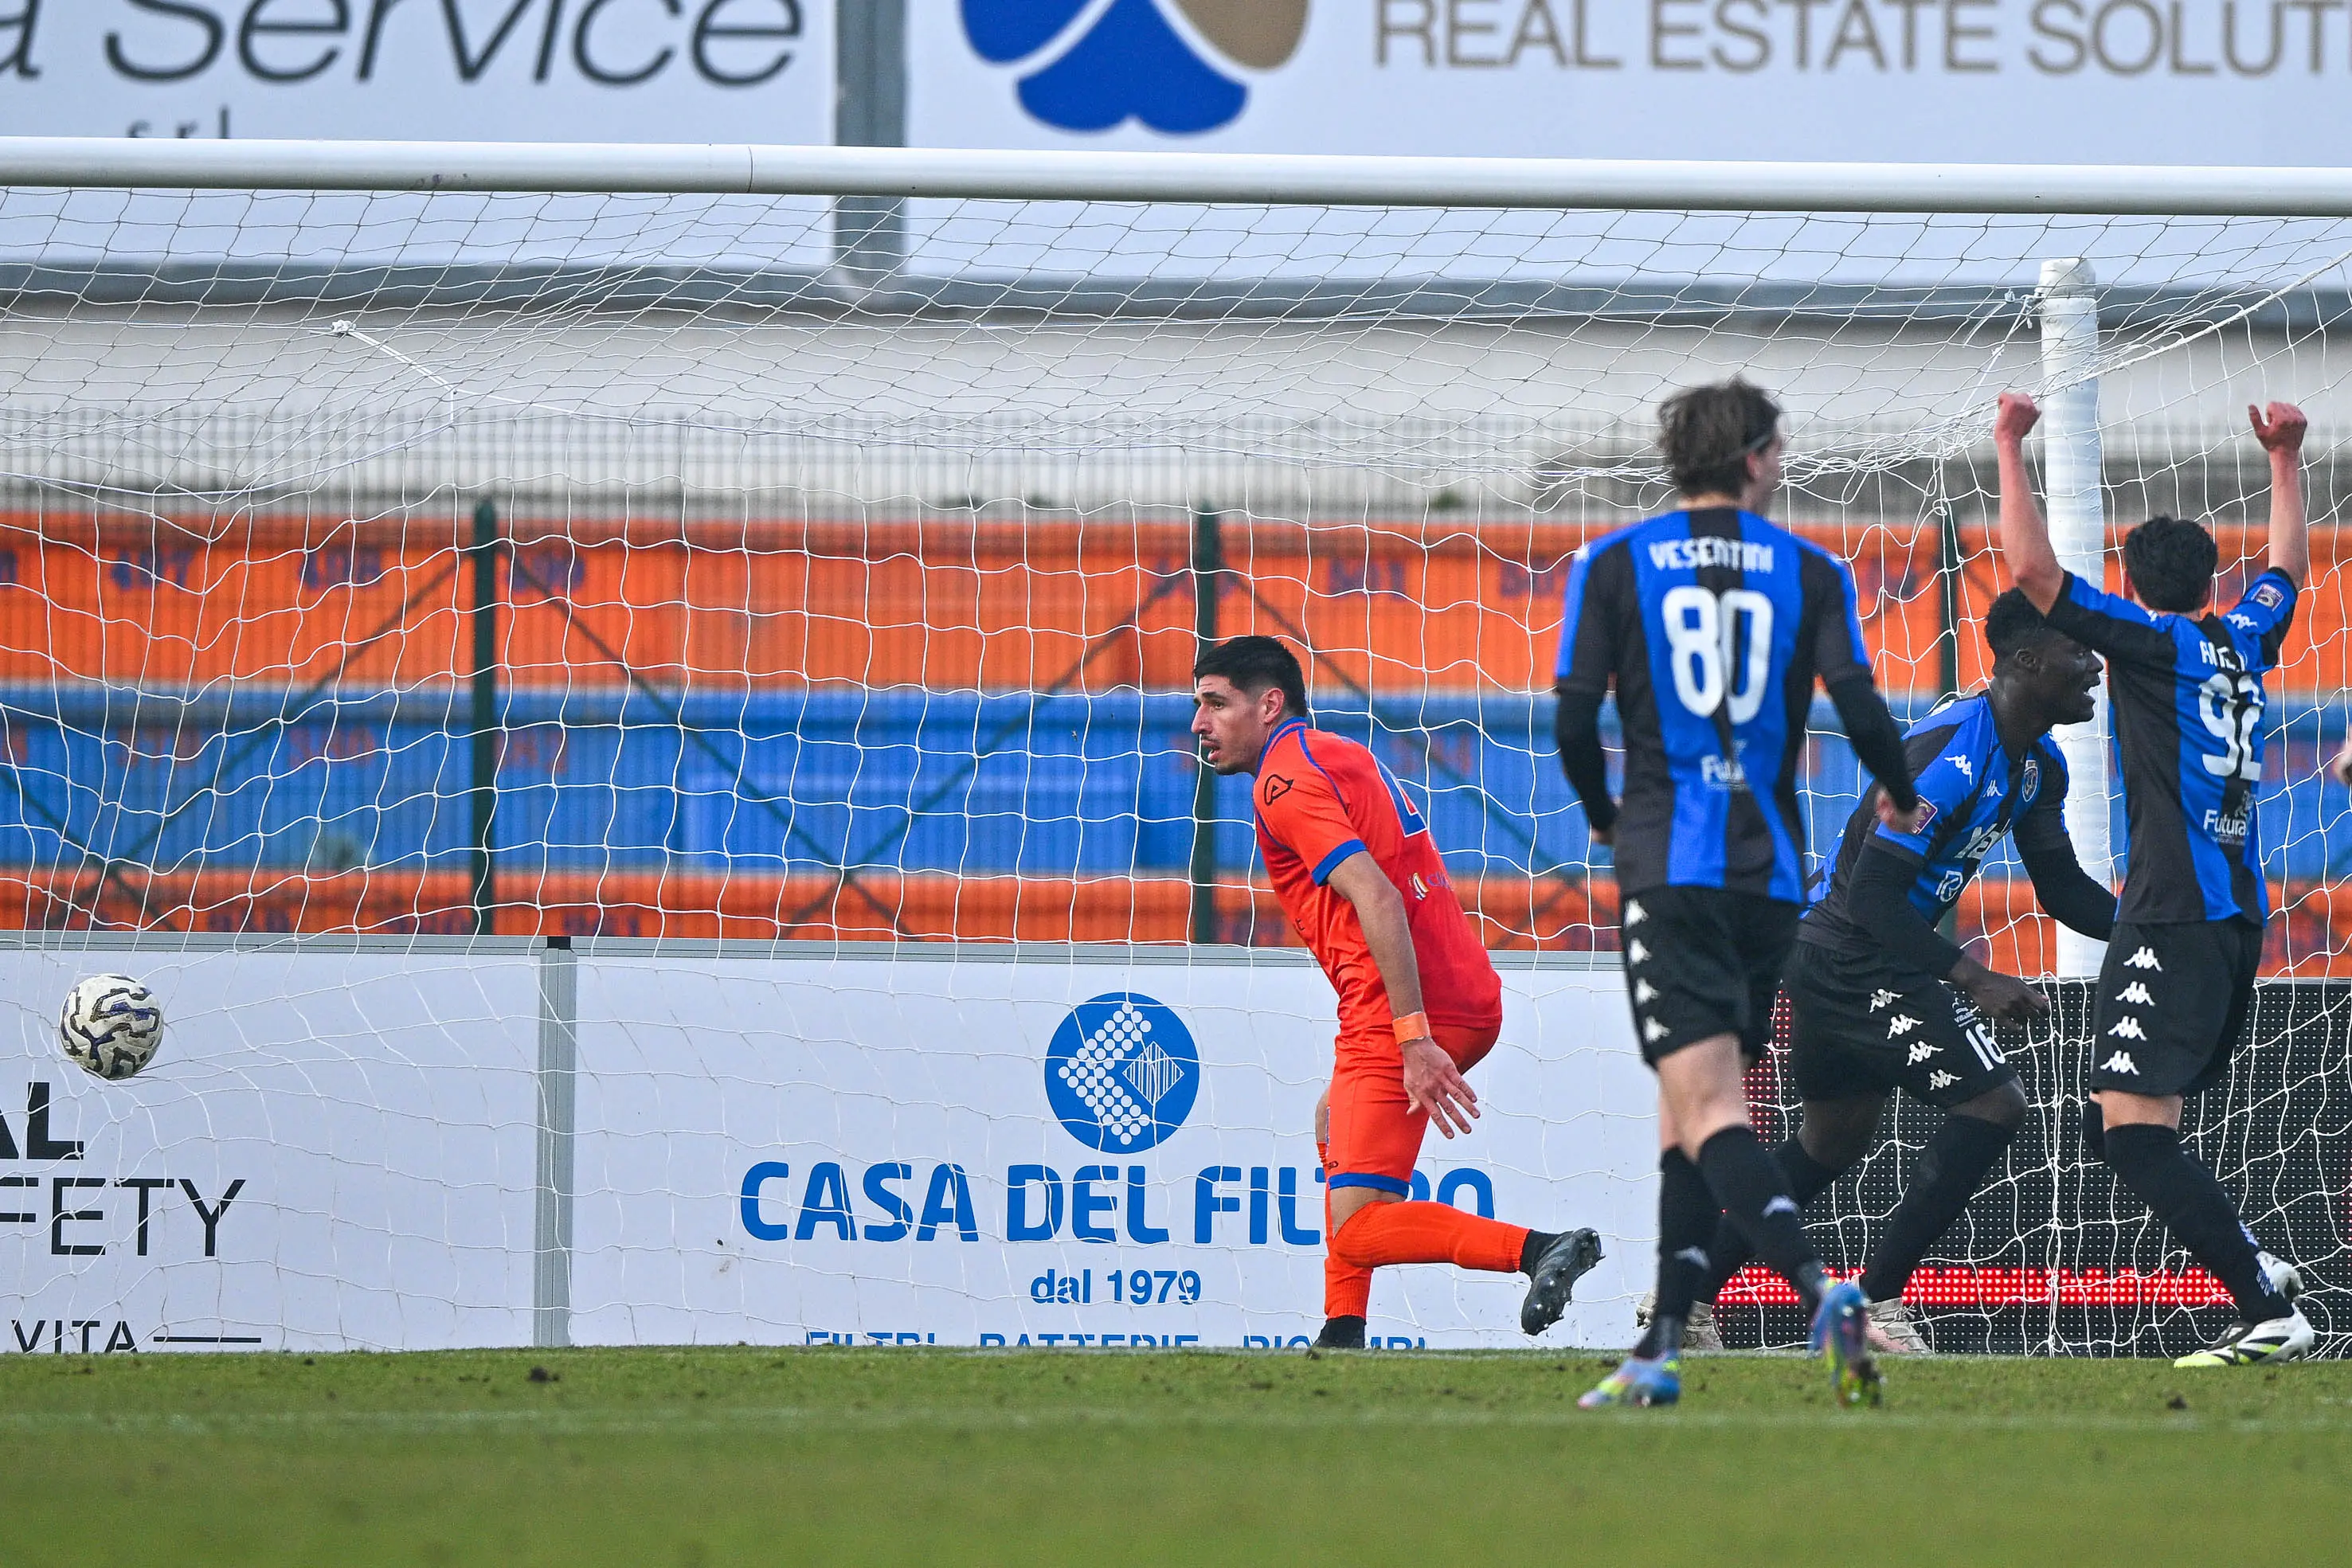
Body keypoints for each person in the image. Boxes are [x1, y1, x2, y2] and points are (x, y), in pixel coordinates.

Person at [1554, 377, 1924, 1408]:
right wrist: (1898, 793)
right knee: (1687, 1117)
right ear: (1758, 456)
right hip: (1769, 885)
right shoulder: (1809, 570)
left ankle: (1820, 1294)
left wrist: (1600, 813)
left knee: (1706, 1104)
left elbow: (1574, 721)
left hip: (1669, 868)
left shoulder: (1614, 564)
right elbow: (1856, 702)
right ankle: (1662, 1347)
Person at [1685, 590, 2115, 1355]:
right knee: (1996, 1105)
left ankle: (1686, 1294)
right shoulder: (1944, 757)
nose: (2093, 665)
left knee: (1829, 1144)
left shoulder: (2037, 769)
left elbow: (2061, 888)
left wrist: (2155, 933)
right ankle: (1876, 1301)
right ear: (2025, 660)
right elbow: (1874, 896)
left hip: (1845, 955)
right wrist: (1975, 978)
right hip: (1852, 953)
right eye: (2077, 651)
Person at [1994, 391, 2316, 1367]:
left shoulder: (2153, 642)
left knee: (2129, 1132)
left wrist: (2009, 445)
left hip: (2172, 913)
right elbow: (2288, 572)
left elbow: (2035, 574)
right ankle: (2257, 1269)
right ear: (2215, 578)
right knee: (2126, 1125)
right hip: (2232, 917)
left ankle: (2268, 1307)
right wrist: (2287, 460)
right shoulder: (2242, 637)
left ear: (2132, 591)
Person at [1191, 635, 1603, 1349]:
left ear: (1268, 704)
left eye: (1214, 702)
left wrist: (1412, 1037)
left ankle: (1539, 1250)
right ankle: (1342, 1327)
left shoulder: (1281, 780)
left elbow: (1377, 896)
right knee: (1332, 1129)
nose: (1198, 721)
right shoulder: (1337, 753)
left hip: (1401, 1009)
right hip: (1463, 992)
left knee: (1355, 1229)